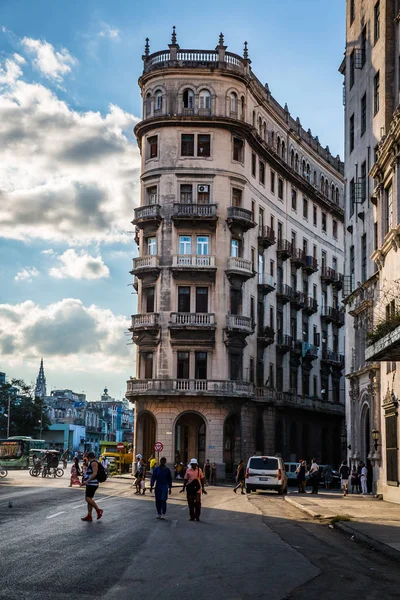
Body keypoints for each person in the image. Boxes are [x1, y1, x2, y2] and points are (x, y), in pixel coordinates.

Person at [80, 451, 103, 521]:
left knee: (87, 498)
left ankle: (98, 510)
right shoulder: (91, 462)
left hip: (92, 483)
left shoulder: (93, 463)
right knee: (89, 500)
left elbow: (94, 473)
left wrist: (87, 480)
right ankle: (89, 515)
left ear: (89, 457)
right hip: (90, 483)